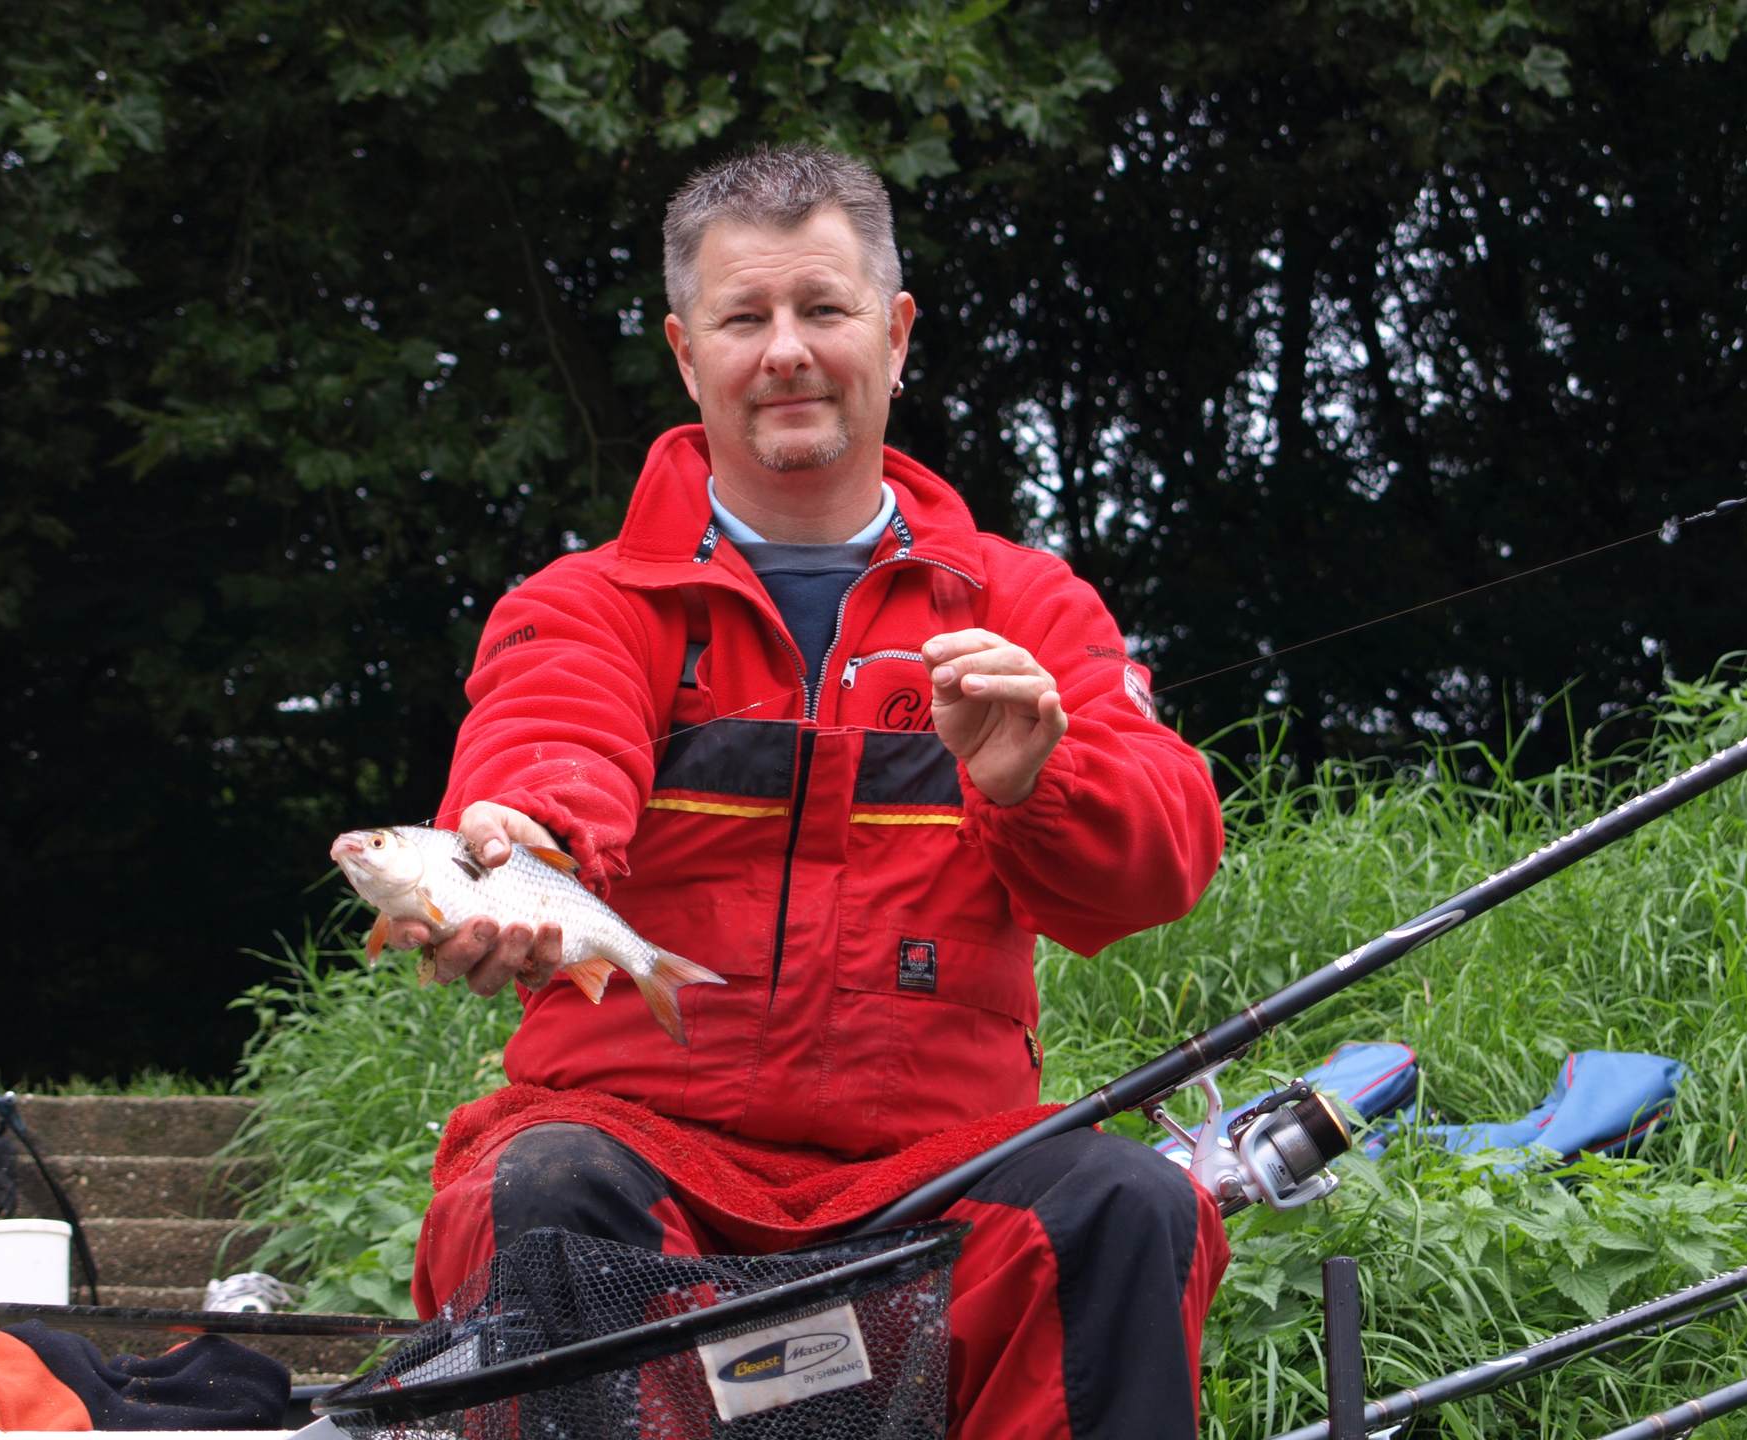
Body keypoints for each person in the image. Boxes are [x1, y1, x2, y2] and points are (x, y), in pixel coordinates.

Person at [392, 144, 1229, 1438]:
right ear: (687, 352)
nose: (785, 349)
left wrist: (1040, 777)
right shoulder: (585, 603)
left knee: (1133, 1207)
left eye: (822, 310)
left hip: (941, 1171)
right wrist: (519, 837)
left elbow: (1165, 864)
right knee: (538, 1191)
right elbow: (549, 737)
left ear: (894, 336)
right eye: (745, 317)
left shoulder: (1030, 605)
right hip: (634, 1145)